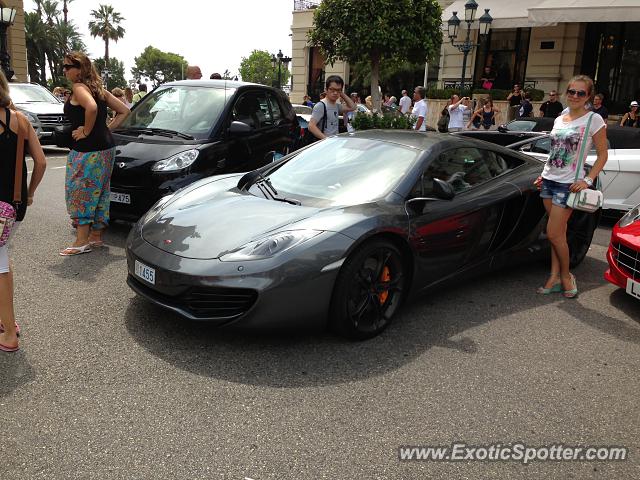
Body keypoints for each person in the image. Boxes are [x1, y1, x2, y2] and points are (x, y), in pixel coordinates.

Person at [534, 75, 607, 298]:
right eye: (572, 92)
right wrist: (542, 174)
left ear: (589, 97)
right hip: (548, 179)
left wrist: (587, 180)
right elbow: (554, 151)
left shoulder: (593, 119)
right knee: (560, 233)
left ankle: (566, 275)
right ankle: (554, 276)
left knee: (553, 233)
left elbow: (603, 154)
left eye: (581, 93)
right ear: (567, 93)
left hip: (568, 184)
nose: (575, 96)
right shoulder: (561, 117)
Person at [60, 51, 130, 256]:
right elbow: (125, 111)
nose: (64, 71)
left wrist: (86, 131)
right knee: (101, 191)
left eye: (68, 67)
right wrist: (106, 129)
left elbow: (90, 108)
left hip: (87, 151)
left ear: (80, 69)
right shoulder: (99, 89)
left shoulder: (79, 87)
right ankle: (96, 237)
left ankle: (81, 240)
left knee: (79, 191)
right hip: (106, 148)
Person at [0, 70, 47, 352]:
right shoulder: (20, 119)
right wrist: (29, 194)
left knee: (0, 264)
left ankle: (8, 333)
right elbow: (40, 163)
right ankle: (7, 322)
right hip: (14, 207)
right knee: (3, 260)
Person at [308, 75, 355, 140]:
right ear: (326, 90)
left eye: (338, 90)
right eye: (332, 89)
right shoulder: (321, 106)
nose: (335, 93)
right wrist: (326, 140)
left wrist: (341, 94)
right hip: (325, 145)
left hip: (334, 143)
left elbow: (352, 107)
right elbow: (311, 126)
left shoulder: (336, 106)